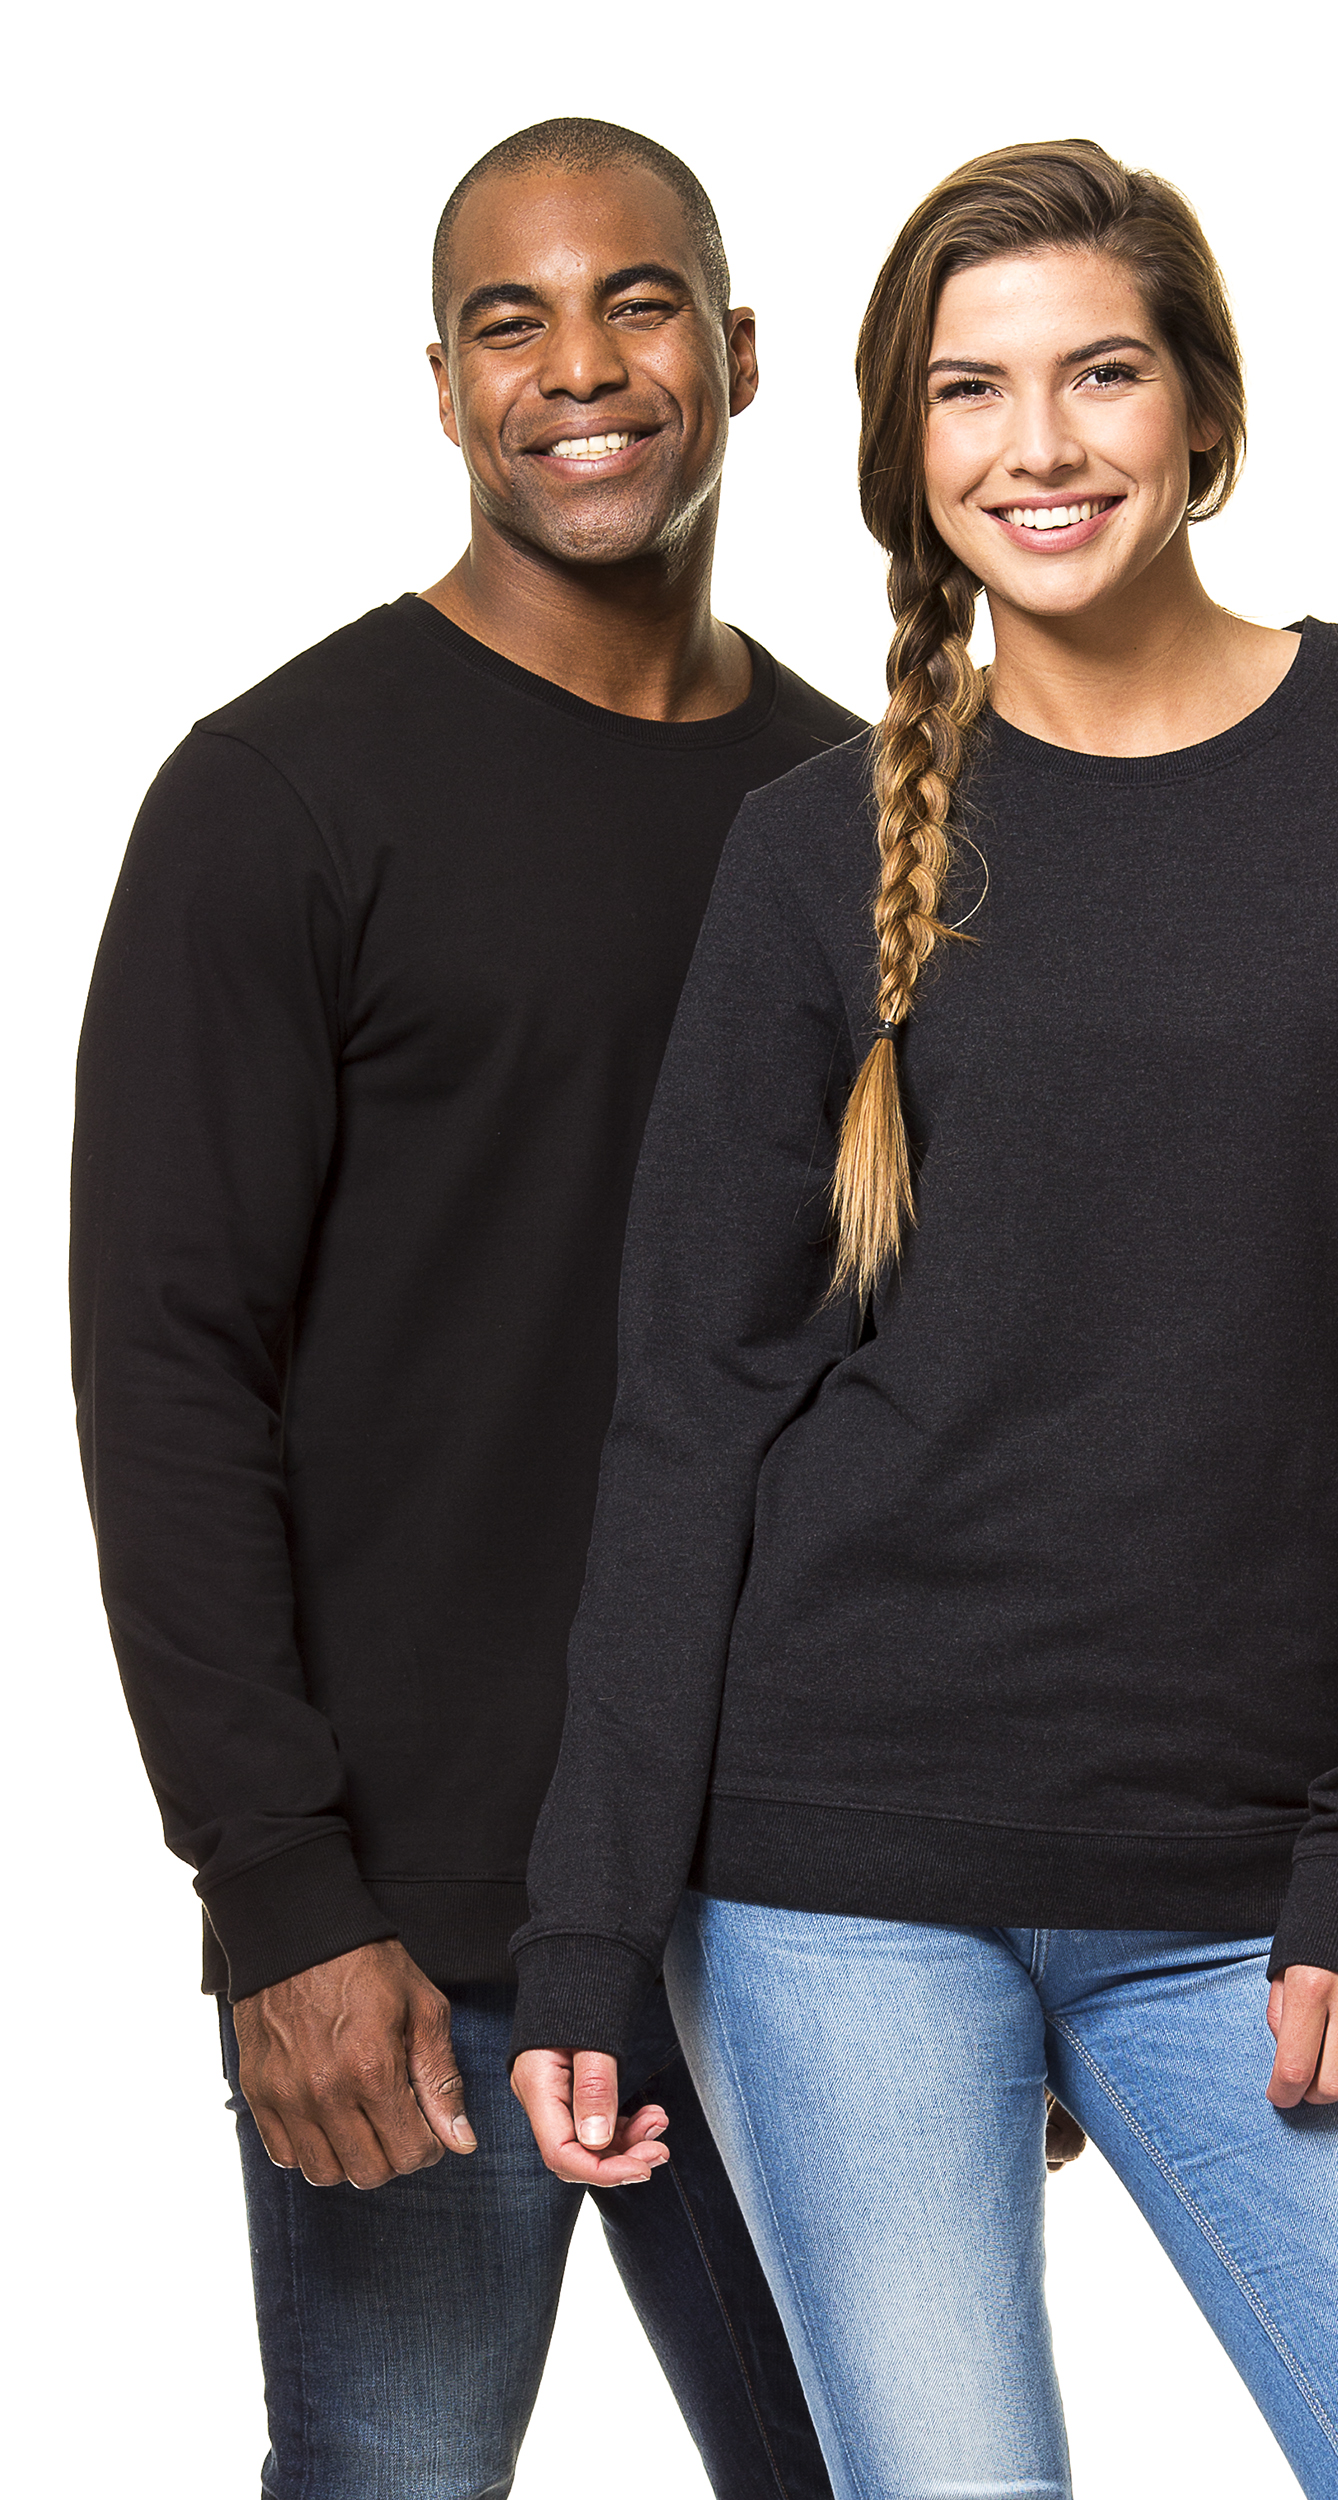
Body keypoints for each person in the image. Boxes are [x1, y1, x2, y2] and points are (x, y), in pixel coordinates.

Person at [508, 139, 1338, 2499]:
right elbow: (688, 1403)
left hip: (1244, 1873)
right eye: (966, 391)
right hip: (830, 1868)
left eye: (1098, 373)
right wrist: (584, 1923)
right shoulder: (811, 849)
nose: (1037, 445)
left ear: (1201, 406)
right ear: (903, 451)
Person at [70, 116, 859, 2500]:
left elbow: (915, 1367)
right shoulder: (281, 795)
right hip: (422, 1917)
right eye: (509, 321)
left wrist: (985, 1886)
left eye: (635, 303)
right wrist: (277, 1894)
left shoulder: (858, 811)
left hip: (804, 1896)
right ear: (441, 387)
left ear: (737, 353)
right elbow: (167, 1369)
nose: (575, 367)